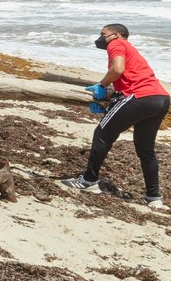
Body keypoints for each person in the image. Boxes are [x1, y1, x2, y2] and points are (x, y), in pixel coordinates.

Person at [62, 24, 170, 208]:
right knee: (145, 149)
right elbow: (127, 82)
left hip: (139, 97)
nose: (100, 37)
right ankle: (154, 197)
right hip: (161, 98)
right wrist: (109, 105)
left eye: (103, 34)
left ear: (116, 35)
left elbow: (117, 69)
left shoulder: (117, 44)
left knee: (102, 134)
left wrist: (102, 85)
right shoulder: (132, 50)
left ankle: (88, 181)